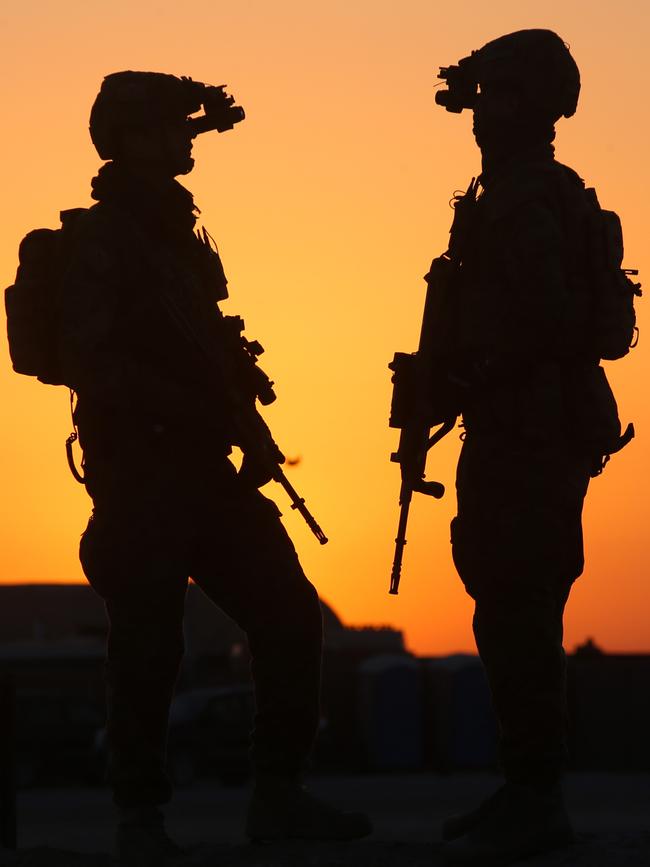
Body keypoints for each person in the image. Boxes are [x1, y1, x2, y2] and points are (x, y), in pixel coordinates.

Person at [58, 71, 371, 866]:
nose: (184, 140)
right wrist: (182, 403)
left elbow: (216, 359)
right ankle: (140, 814)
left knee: (291, 615)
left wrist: (245, 426)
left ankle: (278, 796)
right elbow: (76, 360)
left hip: (206, 471)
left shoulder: (180, 245)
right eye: (168, 129)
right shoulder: (97, 242)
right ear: (127, 138)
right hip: (140, 474)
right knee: (147, 645)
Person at [427, 31, 635, 865]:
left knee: (520, 608)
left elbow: (546, 323)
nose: (482, 114)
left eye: (501, 97)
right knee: (511, 606)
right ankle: (525, 788)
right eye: (482, 98)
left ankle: (536, 794)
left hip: (529, 432)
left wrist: (470, 375)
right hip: (524, 429)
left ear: (542, 106)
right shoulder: (519, 192)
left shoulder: (523, 201)